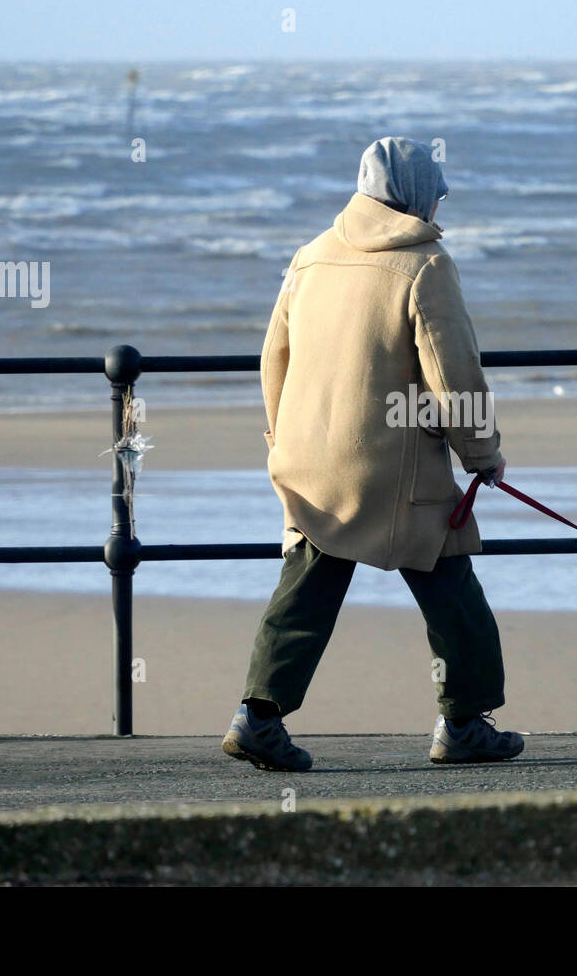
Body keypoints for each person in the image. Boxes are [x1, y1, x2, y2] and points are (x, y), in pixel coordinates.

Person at [222, 137, 523, 772]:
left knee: (308, 584)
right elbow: (454, 373)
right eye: (436, 191)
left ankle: (257, 716)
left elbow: (272, 358)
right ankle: (465, 723)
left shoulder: (310, 255)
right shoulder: (426, 265)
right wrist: (482, 452)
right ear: (413, 194)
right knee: (451, 586)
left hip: (309, 459)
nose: (440, 203)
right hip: (393, 468)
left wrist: (283, 440)